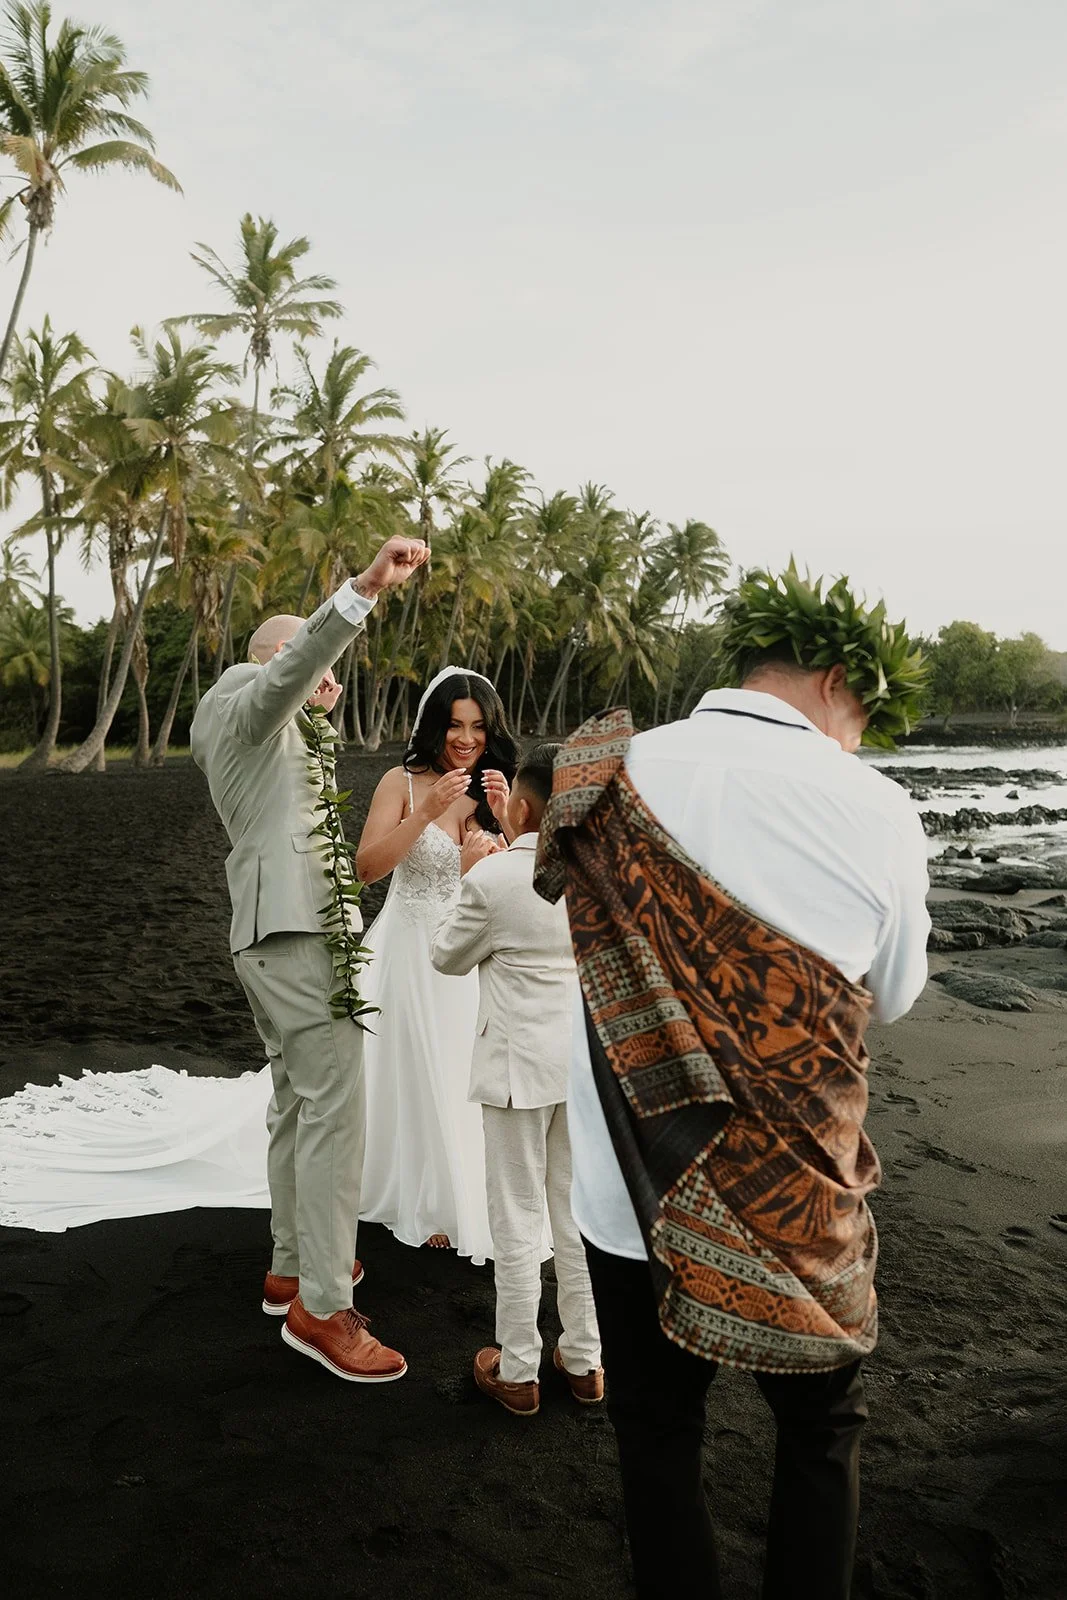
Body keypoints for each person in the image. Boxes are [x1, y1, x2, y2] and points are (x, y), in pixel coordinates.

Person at [534, 567, 931, 1599]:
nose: (858, 735)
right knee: (819, 1431)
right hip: (795, 1193)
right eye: (863, 712)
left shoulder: (605, 775)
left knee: (657, 1433)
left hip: (632, 1183)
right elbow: (891, 995)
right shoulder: (876, 805)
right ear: (837, 679)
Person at [190, 533, 427, 1385]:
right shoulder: (245, 695)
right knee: (335, 1110)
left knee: (297, 1102)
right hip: (290, 930)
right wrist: (364, 589)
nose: (328, 683)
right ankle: (323, 1307)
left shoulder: (272, 730)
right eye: (314, 665)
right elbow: (291, 673)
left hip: (279, 929)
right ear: (277, 659)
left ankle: (291, 1265)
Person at [429, 743, 603, 1417]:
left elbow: (446, 956)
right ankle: (586, 1362)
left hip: (513, 1070)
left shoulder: (497, 878)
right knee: (573, 1217)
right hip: (581, 1070)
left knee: (515, 1219)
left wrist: (471, 869)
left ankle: (520, 1370)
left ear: (521, 806)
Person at [354, 667, 519, 1262]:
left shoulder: (499, 786)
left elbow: (537, 877)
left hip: (475, 955)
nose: (466, 739)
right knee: (420, 1069)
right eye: (454, 725)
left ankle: (472, 1193)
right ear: (434, 725)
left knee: (465, 1072)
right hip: (410, 950)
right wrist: (423, 814)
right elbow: (365, 870)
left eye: (477, 727)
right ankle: (426, 1197)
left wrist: (507, 821)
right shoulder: (399, 781)